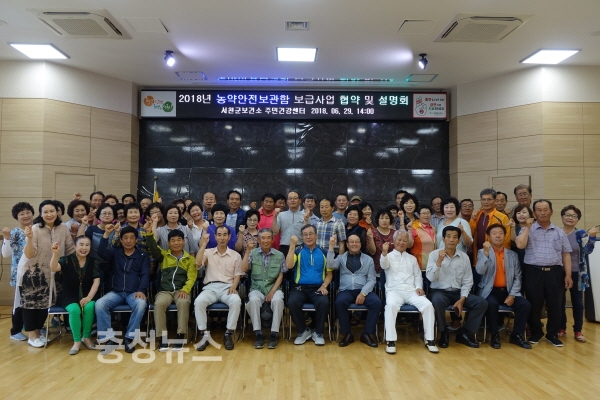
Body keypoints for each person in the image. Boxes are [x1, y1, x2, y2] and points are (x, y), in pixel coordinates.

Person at [17, 200, 75, 348]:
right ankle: (32, 336)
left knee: (45, 304)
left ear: (57, 212)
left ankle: (38, 332)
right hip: (32, 273)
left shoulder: (63, 228)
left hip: (54, 274)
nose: (49, 214)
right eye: (45, 212)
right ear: (41, 214)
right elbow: (29, 254)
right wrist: (29, 238)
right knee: (31, 305)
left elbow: (70, 250)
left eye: (52, 211)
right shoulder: (35, 229)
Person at [515, 199, 573, 347]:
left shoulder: (559, 232)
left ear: (551, 212)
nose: (542, 213)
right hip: (533, 272)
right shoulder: (527, 229)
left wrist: (568, 275)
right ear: (534, 213)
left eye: (545, 209)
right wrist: (528, 227)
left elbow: (566, 254)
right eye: (539, 210)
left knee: (555, 305)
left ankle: (552, 334)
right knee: (534, 304)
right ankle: (536, 332)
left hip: (555, 272)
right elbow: (520, 245)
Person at [427, 226, 487, 349]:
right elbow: (430, 278)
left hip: (458, 292)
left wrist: (462, 299)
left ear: (459, 240)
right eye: (448, 236)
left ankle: (464, 333)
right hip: (439, 291)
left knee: (481, 303)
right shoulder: (434, 255)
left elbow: (468, 281)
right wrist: (439, 261)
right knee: (437, 301)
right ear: (443, 239)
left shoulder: (464, 257)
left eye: (455, 237)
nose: (451, 240)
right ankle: (443, 332)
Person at [475, 224, 531, 349]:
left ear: (505, 236)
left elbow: (518, 277)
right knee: (491, 304)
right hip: (490, 291)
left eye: (500, 233)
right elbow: (480, 271)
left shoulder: (512, 255)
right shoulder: (482, 252)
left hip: (508, 291)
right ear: (488, 237)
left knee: (525, 305)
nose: (498, 236)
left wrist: (512, 295)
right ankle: (494, 335)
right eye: (494, 233)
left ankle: (516, 335)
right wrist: (485, 254)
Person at [95, 225, 150, 354]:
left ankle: (129, 338)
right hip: (116, 292)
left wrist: (141, 290)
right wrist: (106, 234)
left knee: (141, 304)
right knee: (99, 304)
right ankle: (109, 339)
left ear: (136, 240)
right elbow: (101, 252)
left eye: (131, 238)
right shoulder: (115, 253)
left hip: (134, 292)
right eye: (125, 238)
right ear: (121, 240)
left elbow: (145, 274)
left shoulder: (142, 255)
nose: (128, 241)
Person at [382, 231, 438, 354]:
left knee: (428, 305)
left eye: (404, 240)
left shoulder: (412, 258)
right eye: (399, 240)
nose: (401, 242)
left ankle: (430, 340)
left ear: (408, 243)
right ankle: (391, 341)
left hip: (411, 291)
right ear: (394, 241)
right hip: (394, 291)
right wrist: (384, 253)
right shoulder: (388, 256)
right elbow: (383, 265)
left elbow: (418, 276)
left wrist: (418, 287)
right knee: (390, 306)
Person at [145, 227, 198, 352]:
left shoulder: (190, 259)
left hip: (181, 290)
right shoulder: (164, 255)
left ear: (183, 242)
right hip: (165, 291)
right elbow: (153, 248)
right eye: (173, 240)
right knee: (159, 303)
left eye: (179, 240)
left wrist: (185, 290)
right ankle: (162, 337)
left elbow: (192, 277)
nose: (176, 243)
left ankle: (180, 335)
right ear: (168, 243)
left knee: (183, 302)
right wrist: (149, 234)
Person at [194, 227, 243, 351]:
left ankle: (228, 334)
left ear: (229, 237)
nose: (222, 238)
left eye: (225, 235)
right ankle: (203, 335)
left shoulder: (235, 255)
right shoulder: (208, 252)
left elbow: (238, 274)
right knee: (199, 301)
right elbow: (198, 263)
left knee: (236, 301)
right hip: (210, 287)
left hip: (228, 287)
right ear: (215, 237)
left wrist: (234, 286)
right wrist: (203, 244)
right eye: (219, 235)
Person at [50, 236, 101, 355]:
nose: (84, 248)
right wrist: (55, 254)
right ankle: (77, 341)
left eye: (87, 245)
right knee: (75, 310)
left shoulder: (94, 261)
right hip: (69, 296)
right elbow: (54, 267)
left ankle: (86, 338)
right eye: (81, 245)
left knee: (89, 307)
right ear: (75, 247)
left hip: (88, 295)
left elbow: (96, 281)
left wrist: (89, 298)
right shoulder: (66, 260)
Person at [329, 234, 381, 348]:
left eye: (357, 241)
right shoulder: (341, 258)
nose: (354, 244)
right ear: (347, 245)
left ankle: (366, 334)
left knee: (376, 303)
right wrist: (331, 247)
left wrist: (363, 293)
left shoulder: (368, 259)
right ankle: (347, 334)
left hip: (364, 290)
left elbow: (372, 279)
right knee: (339, 302)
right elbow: (330, 265)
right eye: (351, 242)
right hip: (346, 290)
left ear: (360, 244)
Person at [286, 225, 334, 346]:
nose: (308, 237)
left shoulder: (324, 252)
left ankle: (318, 333)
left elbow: (329, 274)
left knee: (324, 303)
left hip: (318, 288)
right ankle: (303, 331)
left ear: (316, 236)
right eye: (305, 235)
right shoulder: (297, 251)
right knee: (292, 302)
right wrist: (292, 246)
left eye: (311, 234)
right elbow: (289, 266)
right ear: (302, 237)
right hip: (299, 288)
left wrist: (324, 286)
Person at [241, 228, 286, 349]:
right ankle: (258, 333)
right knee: (253, 300)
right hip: (257, 288)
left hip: (274, 288)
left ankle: (274, 333)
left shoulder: (279, 255)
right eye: (263, 238)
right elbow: (244, 269)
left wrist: (272, 292)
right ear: (258, 240)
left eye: (268, 238)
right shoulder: (252, 253)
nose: (265, 241)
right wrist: (247, 251)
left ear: (272, 239)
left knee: (278, 300)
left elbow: (281, 275)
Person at [558, 205, 596, 343]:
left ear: (578, 219)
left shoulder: (581, 234)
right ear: (562, 217)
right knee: (559, 302)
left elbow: (588, 251)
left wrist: (592, 237)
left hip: (578, 273)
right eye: (567, 215)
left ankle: (578, 330)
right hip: (558, 272)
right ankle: (561, 328)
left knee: (578, 303)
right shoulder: (556, 232)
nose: (570, 218)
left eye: (574, 216)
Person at [2, 202, 34, 341]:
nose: (26, 215)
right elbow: (6, 254)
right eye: (22, 214)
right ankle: (15, 331)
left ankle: (34, 328)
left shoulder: (37, 229)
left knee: (35, 303)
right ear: (16, 217)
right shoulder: (14, 232)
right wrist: (6, 238)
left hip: (37, 273)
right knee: (20, 303)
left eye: (28, 212)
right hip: (20, 274)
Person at [469, 188, 510, 265]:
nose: (486, 202)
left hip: (495, 258)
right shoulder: (477, 215)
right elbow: (471, 233)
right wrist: (472, 220)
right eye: (483, 199)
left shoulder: (502, 217)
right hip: (478, 255)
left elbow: (506, 240)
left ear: (494, 200)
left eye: (489, 199)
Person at [271, 190, 305, 256]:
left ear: (300, 201)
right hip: (284, 248)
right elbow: (274, 232)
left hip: (300, 248)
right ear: (287, 201)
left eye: (295, 198)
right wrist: (275, 217)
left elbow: (306, 233)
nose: (292, 200)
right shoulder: (281, 215)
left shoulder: (304, 215)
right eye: (290, 198)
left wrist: (306, 220)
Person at [367, 209, 398, 274]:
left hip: (393, 268)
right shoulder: (372, 233)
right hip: (377, 269)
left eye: (387, 218)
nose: (384, 220)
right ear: (377, 220)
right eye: (381, 218)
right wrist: (370, 238)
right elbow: (372, 252)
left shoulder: (395, 233)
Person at [410, 205, 437, 270]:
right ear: (419, 215)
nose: (426, 215)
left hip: (431, 264)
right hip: (418, 264)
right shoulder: (414, 227)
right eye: (423, 213)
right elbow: (409, 245)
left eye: (428, 213)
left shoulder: (433, 228)